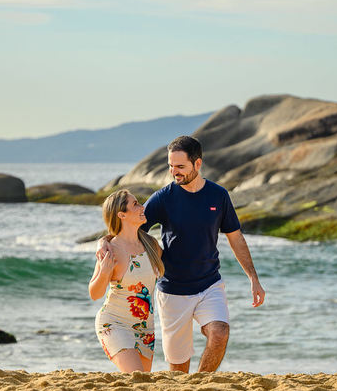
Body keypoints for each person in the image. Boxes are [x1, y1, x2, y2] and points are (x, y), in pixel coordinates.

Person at [100, 135, 265, 372]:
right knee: (178, 369)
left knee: (220, 333)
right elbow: (128, 229)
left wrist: (253, 277)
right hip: (173, 292)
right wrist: (102, 243)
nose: (174, 172)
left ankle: (201, 383)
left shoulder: (218, 196)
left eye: (180, 167)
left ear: (197, 164)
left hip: (210, 284)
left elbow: (235, 237)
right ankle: (187, 389)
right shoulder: (163, 198)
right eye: (170, 166)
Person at [88, 188, 164, 373]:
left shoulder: (151, 244)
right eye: (135, 204)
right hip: (114, 323)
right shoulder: (110, 250)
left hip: (146, 329)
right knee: (136, 378)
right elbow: (95, 294)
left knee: (142, 384)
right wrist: (104, 273)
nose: (142, 207)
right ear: (121, 214)